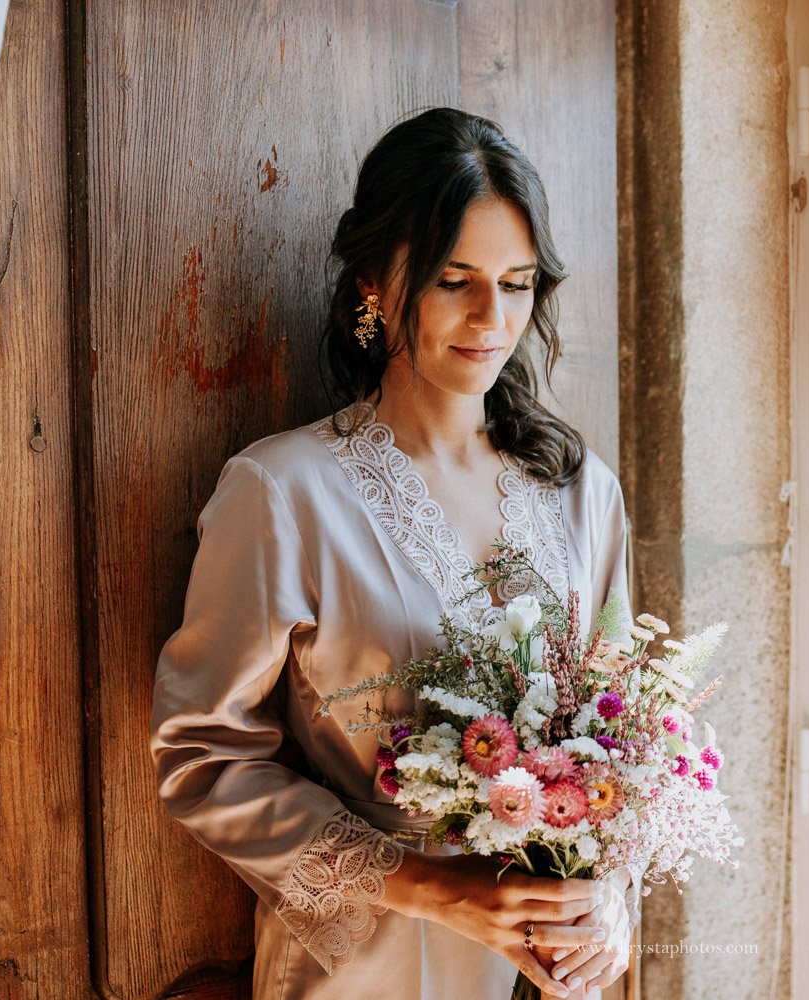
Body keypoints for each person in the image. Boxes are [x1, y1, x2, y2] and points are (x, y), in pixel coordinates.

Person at [149, 108, 635, 1000]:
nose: (493, 318)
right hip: (369, 963)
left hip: (556, 967)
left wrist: (610, 898)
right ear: (374, 282)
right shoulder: (282, 492)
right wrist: (437, 890)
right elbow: (205, 760)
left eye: (518, 284)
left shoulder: (579, 490)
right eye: (456, 281)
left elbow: (622, 734)